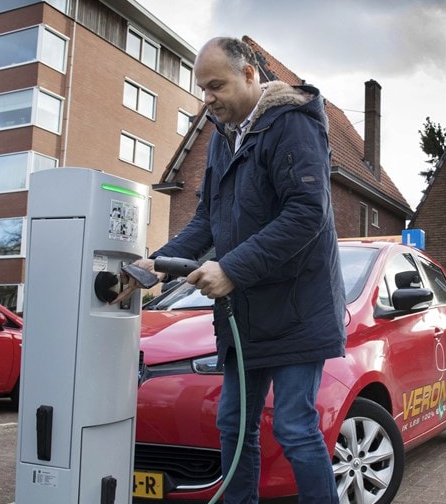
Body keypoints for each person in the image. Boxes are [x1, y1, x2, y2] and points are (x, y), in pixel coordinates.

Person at [127, 37, 346, 503]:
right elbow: (207, 219)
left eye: (216, 85)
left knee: (293, 425)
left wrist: (231, 269)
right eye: (202, 88)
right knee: (233, 424)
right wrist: (157, 263)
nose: (207, 98)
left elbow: (307, 214)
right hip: (244, 315)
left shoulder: (292, 125)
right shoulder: (221, 140)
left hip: (297, 312)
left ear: (249, 74)